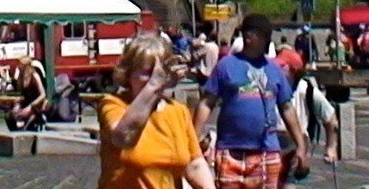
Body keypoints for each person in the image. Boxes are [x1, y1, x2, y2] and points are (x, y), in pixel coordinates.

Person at [193, 13, 309, 189]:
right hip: (230, 150)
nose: (249, 35)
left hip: (267, 151)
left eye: (259, 34)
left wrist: (300, 145)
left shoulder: (274, 70)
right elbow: (206, 103)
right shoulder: (226, 66)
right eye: (247, 31)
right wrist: (193, 139)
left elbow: (286, 107)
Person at [98, 34, 212, 189]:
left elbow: (194, 165)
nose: (154, 79)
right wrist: (154, 86)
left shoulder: (178, 111)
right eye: (146, 72)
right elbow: (124, 137)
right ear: (128, 74)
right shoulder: (113, 104)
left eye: (158, 73)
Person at [273, 48, 338, 180]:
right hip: (271, 142)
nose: (276, 69)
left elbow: (330, 118)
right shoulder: (271, 86)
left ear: (292, 70)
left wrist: (331, 147)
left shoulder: (305, 90)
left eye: (281, 66)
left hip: (294, 144)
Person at [7, 54, 50, 131]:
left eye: (20, 64)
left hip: (36, 103)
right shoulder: (21, 76)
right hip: (26, 102)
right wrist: (18, 103)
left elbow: (43, 94)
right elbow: (21, 93)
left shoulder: (34, 75)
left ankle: (28, 127)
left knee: (29, 115)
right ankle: (16, 132)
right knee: (10, 115)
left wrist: (30, 106)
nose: (18, 66)